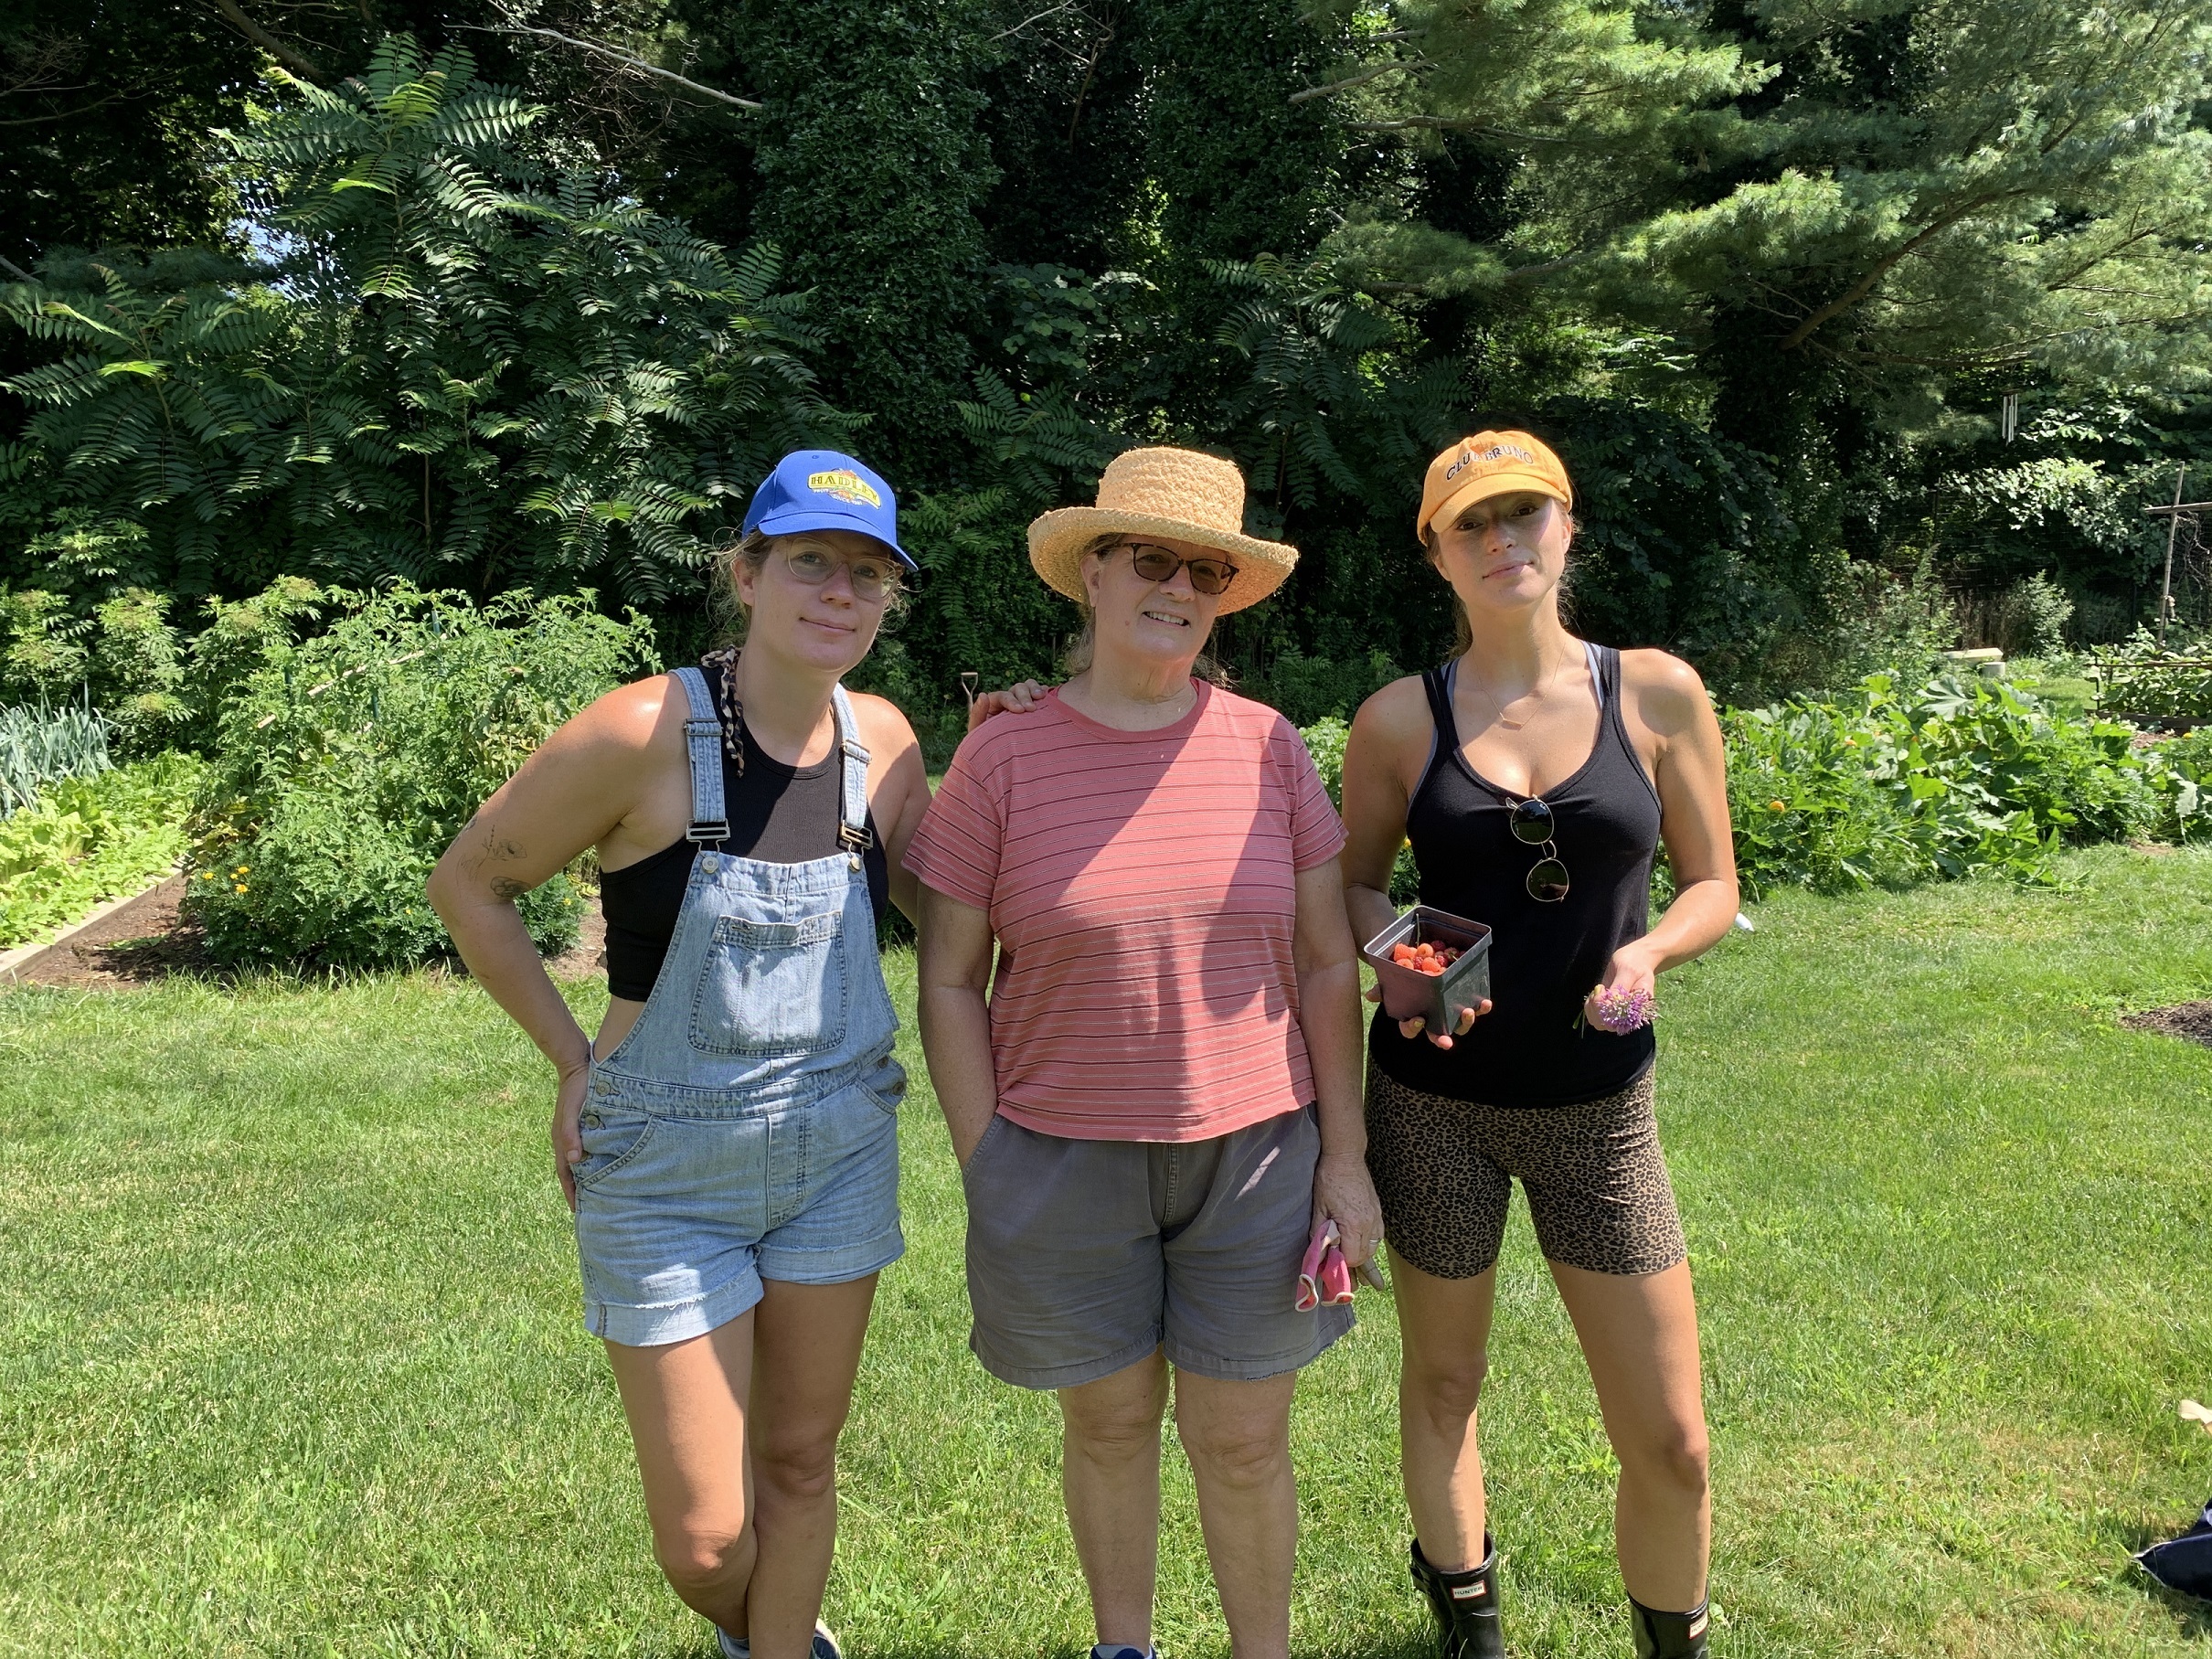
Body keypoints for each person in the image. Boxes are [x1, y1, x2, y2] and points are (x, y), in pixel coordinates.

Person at [426, 450, 1039, 1659]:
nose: (839, 594)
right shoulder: (643, 731)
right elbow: (471, 885)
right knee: (705, 1539)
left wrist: (1013, 769)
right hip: (663, 1168)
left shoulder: (885, 744)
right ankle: (775, 1635)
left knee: (802, 1461)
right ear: (749, 574)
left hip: (837, 1154)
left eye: (868, 574)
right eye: (811, 562)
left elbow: (953, 910)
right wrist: (568, 1059)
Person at [907, 446, 1383, 1659]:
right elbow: (951, 977)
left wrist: (1346, 1157)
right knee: (1109, 1432)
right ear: (1094, 574)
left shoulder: (1271, 746)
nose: (1178, 586)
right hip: (1062, 1163)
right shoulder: (1002, 757)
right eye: (1152, 559)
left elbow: (1330, 961)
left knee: (1243, 1442)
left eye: (1205, 569)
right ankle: (1126, 1646)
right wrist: (987, 1159)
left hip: (1260, 1158)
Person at [1337, 431, 1739, 1659]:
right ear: (1437, 554)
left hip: (1599, 1114)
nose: (1503, 540)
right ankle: (1471, 1627)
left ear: (1569, 529)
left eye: (1527, 514)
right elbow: (1351, 891)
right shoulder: (1402, 717)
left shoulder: (1657, 691)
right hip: (1431, 1107)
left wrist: (1649, 953)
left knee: (1671, 1437)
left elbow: (1714, 883)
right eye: (1474, 523)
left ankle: (1673, 1642)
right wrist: (1409, 963)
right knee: (1445, 1386)